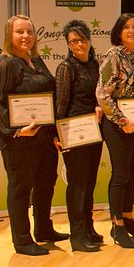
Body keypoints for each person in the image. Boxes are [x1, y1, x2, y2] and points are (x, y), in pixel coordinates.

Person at [0, 15, 69, 256]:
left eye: (30, 32)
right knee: (21, 189)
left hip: (43, 138)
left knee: (45, 185)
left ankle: (44, 229)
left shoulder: (36, 61)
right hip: (19, 141)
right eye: (20, 32)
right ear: (9, 36)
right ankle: (22, 240)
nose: (26, 37)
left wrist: (53, 132)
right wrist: (15, 131)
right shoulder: (5, 64)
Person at [96, 13, 134, 249]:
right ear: (118, 31)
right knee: (120, 175)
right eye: (127, 27)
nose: (132, 31)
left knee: (133, 172)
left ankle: (129, 220)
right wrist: (122, 121)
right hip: (118, 126)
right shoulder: (113, 57)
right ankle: (117, 225)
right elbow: (102, 95)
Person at [54, 20, 104, 253]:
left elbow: (99, 96)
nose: (78, 44)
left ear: (89, 40)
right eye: (73, 41)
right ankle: (77, 234)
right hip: (73, 132)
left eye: (82, 39)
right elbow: (61, 104)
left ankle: (89, 228)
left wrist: (98, 106)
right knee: (77, 184)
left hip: (93, 131)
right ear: (68, 45)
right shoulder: (66, 68)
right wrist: (58, 135)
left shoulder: (95, 65)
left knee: (90, 181)